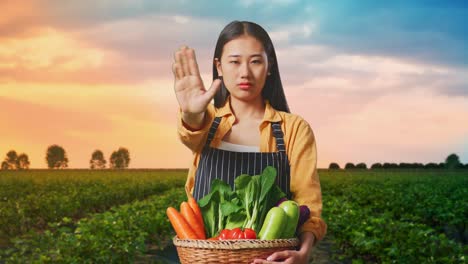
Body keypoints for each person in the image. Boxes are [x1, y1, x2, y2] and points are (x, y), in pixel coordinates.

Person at [172, 20, 327, 264]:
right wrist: (191, 114)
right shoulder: (208, 122)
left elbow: (308, 204)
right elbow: (189, 135)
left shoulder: (294, 129)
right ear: (219, 67)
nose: (245, 72)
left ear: (269, 66)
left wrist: (303, 253)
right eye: (234, 61)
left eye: (255, 61)